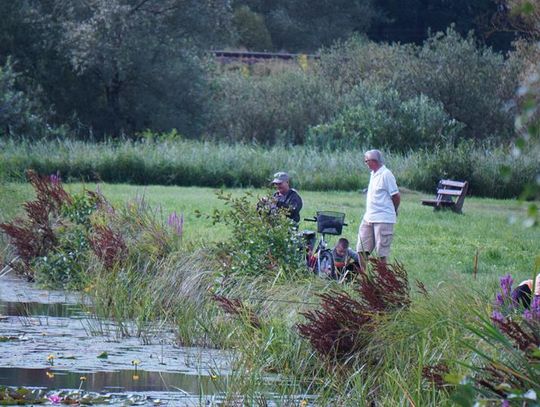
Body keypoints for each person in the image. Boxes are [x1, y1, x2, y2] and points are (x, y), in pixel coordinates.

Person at [356, 149, 400, 269]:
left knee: (381, 253)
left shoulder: (386, 174)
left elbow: (396, 196)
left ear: (373, 161)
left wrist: (394, 210)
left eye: (366, 161)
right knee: (361, 249)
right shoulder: (373, 174)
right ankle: (365, 280)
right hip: (369, 217)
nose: (365, 164)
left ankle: (383, 280)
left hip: (383, 218)